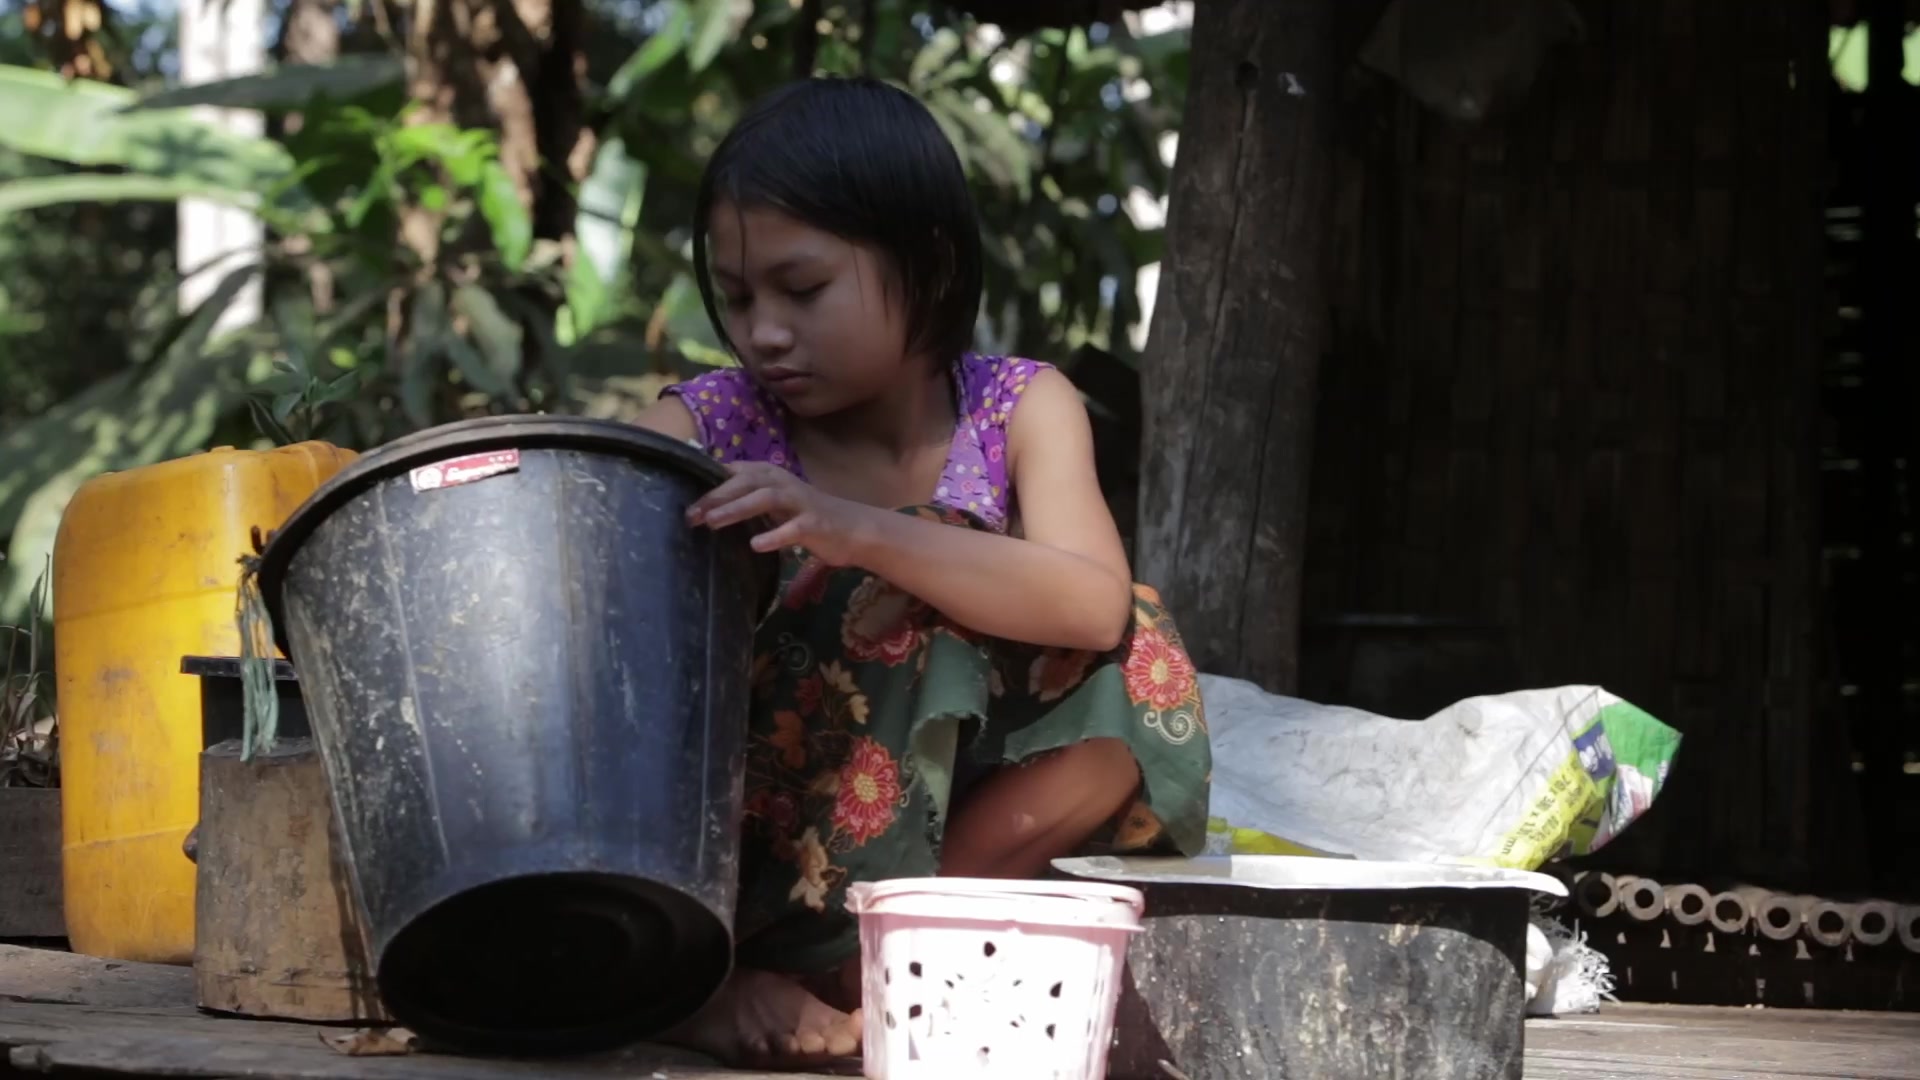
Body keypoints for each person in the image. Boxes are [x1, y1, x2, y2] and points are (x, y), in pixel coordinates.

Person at [633, 75, 1212, 1070]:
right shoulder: (707, 429)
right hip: (750, 846)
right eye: (737, 298)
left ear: (929, 264)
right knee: (879, 600)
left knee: (1138, 655)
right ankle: (700, 985)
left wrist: (859, 530)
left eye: (801, 289)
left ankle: (893, 962)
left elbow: (1089, 600)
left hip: (954, 851)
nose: (763, 329)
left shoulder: (1022, 407)